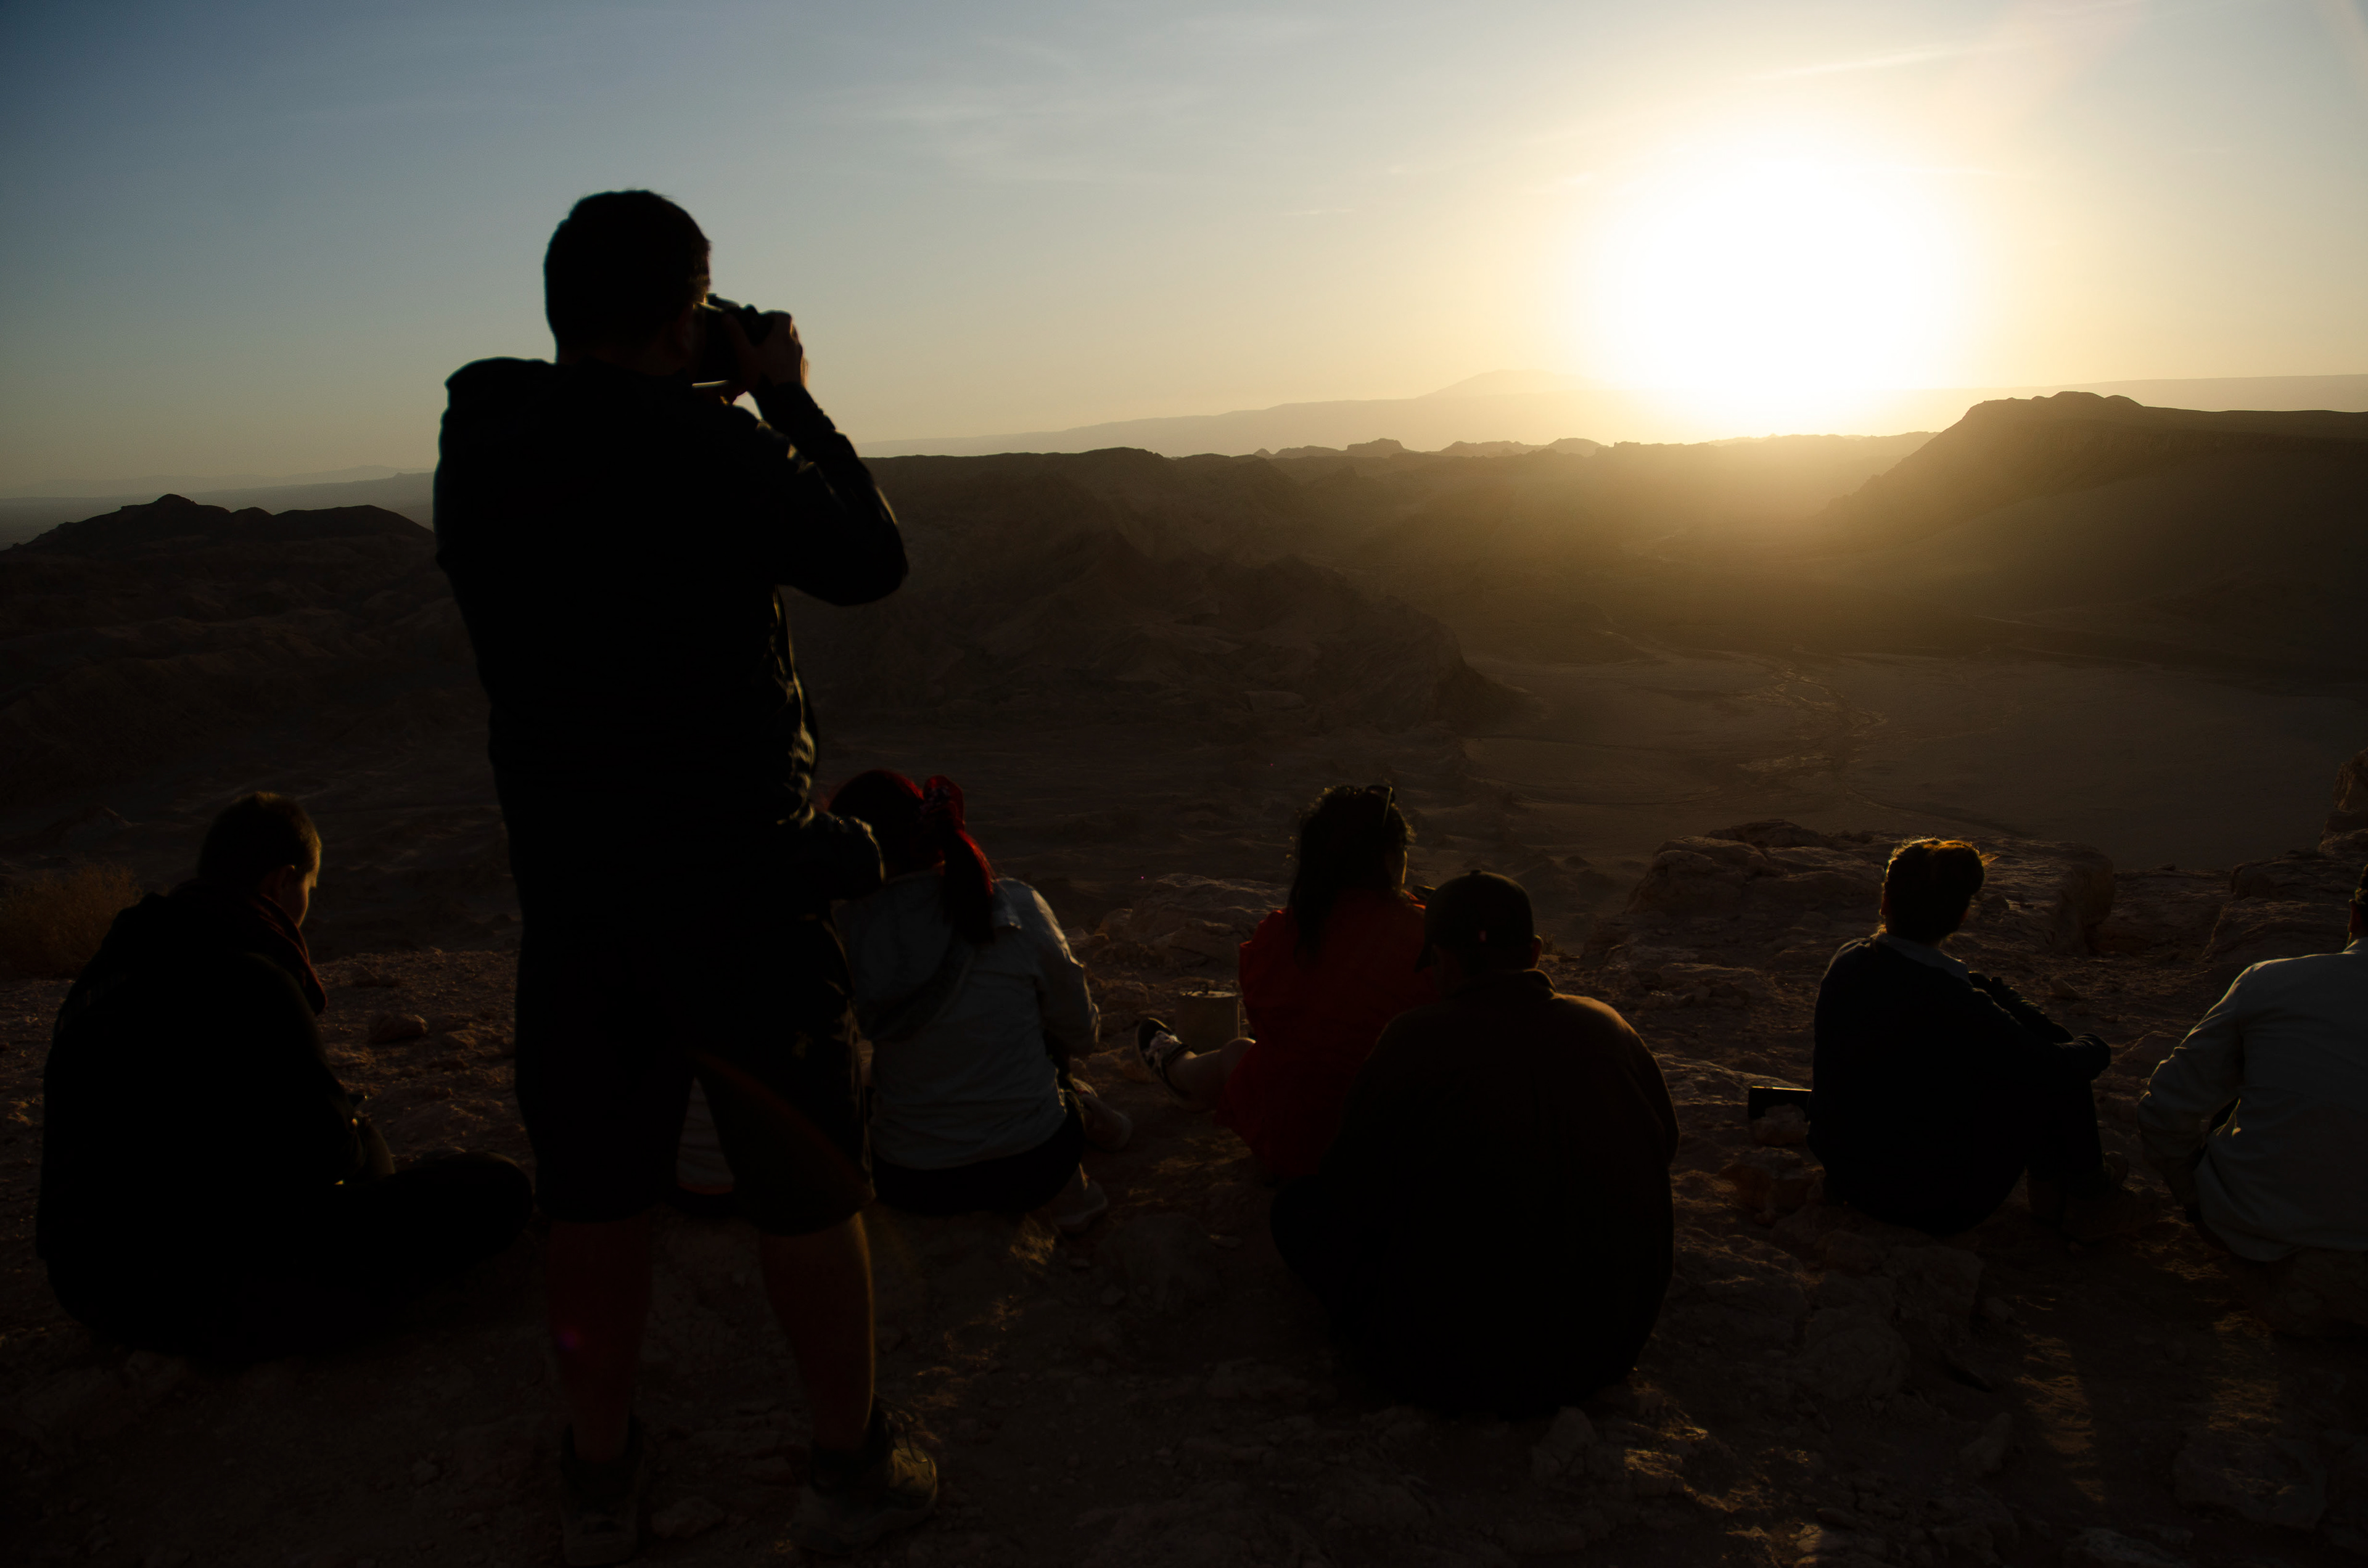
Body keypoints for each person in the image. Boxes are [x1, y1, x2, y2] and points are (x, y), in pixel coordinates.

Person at [433, 190, 929, 1564]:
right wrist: (786, 396)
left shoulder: (483, 438)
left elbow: (581, 425)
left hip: (578, 895)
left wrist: (680, 368)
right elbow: (870, 558)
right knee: (804, 1186)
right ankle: (849, 1466)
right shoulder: (708, 446)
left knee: (595, 1195)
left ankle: (600, 1475)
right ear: (682, 313)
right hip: (741, 891)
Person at [36, 793, 532, 1361]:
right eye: (310, 889)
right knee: (495, 1185)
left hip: (89, 1288)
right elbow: (329, 1155)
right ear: (281, 881)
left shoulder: (108, 969)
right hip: (201, 1291)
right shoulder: (252, 974)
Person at [1271, 872, 1677, 1413]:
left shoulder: (1414, 1038)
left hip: (1453, 1366)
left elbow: (1351, 1188)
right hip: (1608, 1346)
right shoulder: (1609, 1027)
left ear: (1444, 959)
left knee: (1297, 1208)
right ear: (1534, 953)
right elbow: (1664, 1144)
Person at [829, 771, 1130, 1231]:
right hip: (1037, 1165)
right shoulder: (1016, 905)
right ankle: (1076, 1188)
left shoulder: (845, 932)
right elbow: (1082, 1035)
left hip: (910, 1182)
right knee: (1044, 1033)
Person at [1809, 838, 2145, 1242]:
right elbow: (2055, 1066)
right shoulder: (1958, 1004)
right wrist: (2096, 1046)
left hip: (1850, 1175)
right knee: (2051, 1070)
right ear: (1962, 915)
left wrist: (1991, 993)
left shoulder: (1849, 961)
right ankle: (2092, 1197)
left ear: (1885, 902)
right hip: (1932, 1202)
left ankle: (2063, 1191)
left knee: (2021, 1060)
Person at [1138, 785, 1438, 1181]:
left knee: (1242, 1052)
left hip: (1302, 1149)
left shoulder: (1283, 935)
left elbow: (1270, 1023)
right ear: (1389, 858)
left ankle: (1178, 1071)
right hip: (1402, 1153)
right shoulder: (1432, 938)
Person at [2139, 861, 2368, 1333]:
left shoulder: (2270, 982)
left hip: (2255, 1224)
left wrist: (2194, 1202)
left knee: (2242, 1091)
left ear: (2354, 915)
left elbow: (2165, 1106)